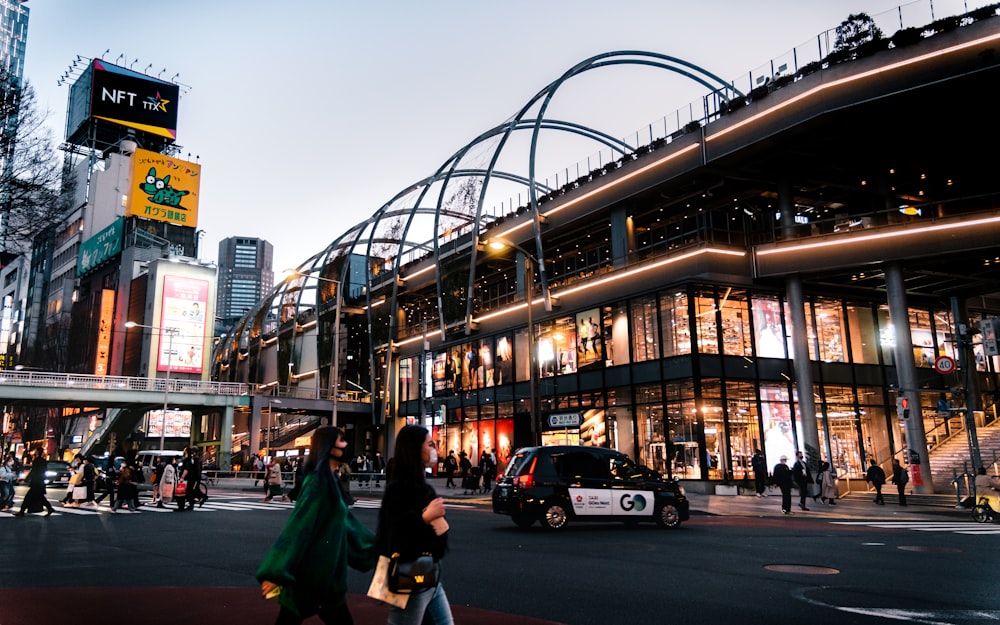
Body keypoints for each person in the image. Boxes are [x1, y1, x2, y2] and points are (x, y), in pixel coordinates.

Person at [257, 426, 376, 625]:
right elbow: (298, 527)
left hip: (325, 578)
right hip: (311, 577)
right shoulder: (317, 483)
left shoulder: (331, 481)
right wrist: (276, 570)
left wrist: (377, 548)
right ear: (329, 447)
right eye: (342, 441)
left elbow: (346, 525)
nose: (347, 445)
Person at [375, 424, 454, 625]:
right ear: (415, 450)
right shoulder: (399, 489)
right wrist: (425, 518)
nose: (435, 448)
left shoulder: (421, 486)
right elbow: (395, 536)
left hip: (429, 576)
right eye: (430, 444)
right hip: (408, 577)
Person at [14, 448, 54, 517]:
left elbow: (33, 471)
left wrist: (26, 480)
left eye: (36, 451)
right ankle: (49, 508)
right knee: (40, 497)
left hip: (36, 482)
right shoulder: (44, 461)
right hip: (40, 481)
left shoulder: (36, 460)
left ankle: (22, 511)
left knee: (28, 497)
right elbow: (44, 471)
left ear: (38, 452)